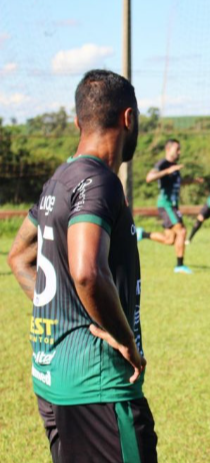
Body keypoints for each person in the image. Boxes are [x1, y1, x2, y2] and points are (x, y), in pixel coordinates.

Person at [7, 69, 157, 462]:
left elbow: (20, 256)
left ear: (78, 122)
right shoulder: (103, 182)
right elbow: (87, 270)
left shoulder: (60, 178)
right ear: (129, 119)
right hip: (100, 389)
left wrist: (66, 314)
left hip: (53, 382)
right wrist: (124, 339)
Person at [137, 138, 201, 274]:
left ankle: (142, 234)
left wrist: (193, 181)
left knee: (170, 239)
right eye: (177, 149)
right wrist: (167, 171)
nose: (179, 152)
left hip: (172, 205)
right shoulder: (163, 164)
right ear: (168, 149)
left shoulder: (174, 166)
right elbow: (149, 178)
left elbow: (177, 182)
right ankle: (179, 266)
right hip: (166, 204)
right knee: (182, 231)